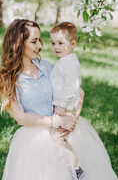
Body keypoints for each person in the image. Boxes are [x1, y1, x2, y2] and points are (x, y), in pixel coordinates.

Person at [0, 18, 118, 180]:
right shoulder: (7, 78)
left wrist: (72, 120)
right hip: (35, 138)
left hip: (63, 130)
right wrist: (57, 122)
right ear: (19, 43)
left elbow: (78, 92)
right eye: (34, 41)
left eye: (40, 40)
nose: (40, 46)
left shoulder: (45, 66)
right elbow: (21, 118)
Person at [50, 22, 85, 180]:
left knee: (57, 137)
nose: (56, 47)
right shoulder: (66, 59)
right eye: (53, 43)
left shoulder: (69, 62)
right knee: (58, 137)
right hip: (63, 107)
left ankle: (75, 167)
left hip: (65, 109)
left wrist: (61, 107)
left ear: (73, 44)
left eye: (60, 43)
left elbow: (72, 87)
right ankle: (67, 168)